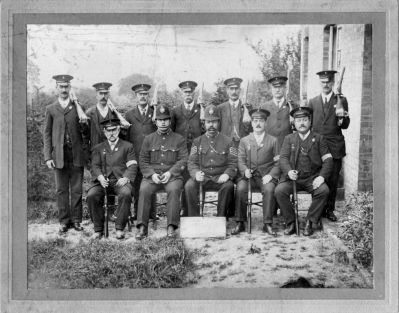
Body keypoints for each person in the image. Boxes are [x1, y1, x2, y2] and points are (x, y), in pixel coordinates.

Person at [275, 107, 333, 236]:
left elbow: (328, 160)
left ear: (310, 122)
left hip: (312, 178)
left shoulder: (319, 139)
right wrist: (289, 171)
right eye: (298, 120)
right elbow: (283, 158)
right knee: (279, 191)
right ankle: (290, 221)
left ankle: (310, 221)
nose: (301, 123)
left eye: (305, 120)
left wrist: (322, 177)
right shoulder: (289, 138)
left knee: (323, 191)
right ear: (294, 123)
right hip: (293, 178)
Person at [43, 74, 89, 233]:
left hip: (75, 154)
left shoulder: (77, 106)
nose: (64, 89)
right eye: (61, 86)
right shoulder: (51, 109)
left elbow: (84, 130)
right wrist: (48, 156)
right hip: (59, 156)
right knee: (61, 190)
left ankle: (76, 220)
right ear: (56, 88)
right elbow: (47, 134)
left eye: (66, 86)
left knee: (76, 190)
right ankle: (64, 221)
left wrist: (83, 120)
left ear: (70, 88)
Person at [135, 105, 188, 239]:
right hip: (152, 177)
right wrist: (152, 174)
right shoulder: (148, 139)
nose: (163, 122)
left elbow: (183, 160)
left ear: (170, 121)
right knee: (144, 189)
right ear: (155, 121)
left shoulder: (179, 139)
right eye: (160, 119)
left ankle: (171, 226)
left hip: (172, 177)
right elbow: (143, 160)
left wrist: (170, 173)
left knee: (174, 190)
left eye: (165, 119)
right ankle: (142, 226)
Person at [307, 70, 350, 222]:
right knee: (317, 178)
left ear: (332, 83)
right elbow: (308, 125)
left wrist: (342, 118)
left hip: (335, 146)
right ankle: (317, 209)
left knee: (332, 180)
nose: (325, 84)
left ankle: (329, 210)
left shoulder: (340, 100)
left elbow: (345, 125)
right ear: (320, 83)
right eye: (323, 82)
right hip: (317, 147)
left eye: (328, 82)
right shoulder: (312, 102)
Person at [231, 108, 280, 235]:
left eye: (261, 121)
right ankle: (240, 222)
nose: (258, 124)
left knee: (269, 189)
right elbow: (240, 160)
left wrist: (270, 175)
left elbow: (278, 162)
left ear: (265, 123)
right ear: (251, 123)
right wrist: (245, 170)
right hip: (248, 177)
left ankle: (267, 223)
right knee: (241, 188)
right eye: (255, 121)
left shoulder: (273, 140)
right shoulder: (244, 140)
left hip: (265, 176)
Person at [87, 118, 138, 239]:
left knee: (126, 194)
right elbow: (95, 166)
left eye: (114, 130)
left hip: (120, 181)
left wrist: (126, 177)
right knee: (91, 195)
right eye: (108, 131)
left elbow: (133, 165)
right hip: (102, 182)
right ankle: (98, 229)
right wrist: (99, 177)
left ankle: (119, 228)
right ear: (104, 132)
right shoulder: (98, 148)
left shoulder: (127, 146)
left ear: (119, 130)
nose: (111, 133)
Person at [185, 104, 237, 217]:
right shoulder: (197, 141)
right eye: (208, 122)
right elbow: (192, 162)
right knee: (189, 186)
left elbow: (233, 163)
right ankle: (194, 218)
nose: (211, 125)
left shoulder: (228, 141)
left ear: (218, 123)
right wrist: (196, 173)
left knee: (228, 186)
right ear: (204, 123)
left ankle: (221, 218)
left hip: (220, 178)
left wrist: (227, 174)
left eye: (214, 122)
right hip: (203, 178)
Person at [171, 80, 205, 217]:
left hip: (196, 151)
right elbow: (172, 133)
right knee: (182, 179)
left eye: (190, 91)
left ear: (194, 93)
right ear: (181, 93)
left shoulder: (200, 109)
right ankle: (182, 207)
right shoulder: (176, 111)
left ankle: (191, 210)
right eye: (185, 92)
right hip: (181, 152)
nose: (188, 94)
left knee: (193, 180)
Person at [125, 83, 157, 219]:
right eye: (140, 94)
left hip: (152, 156)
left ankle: (152, 214)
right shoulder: (129, 115)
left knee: (152, 183)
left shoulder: (154, 112)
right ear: (136, 96)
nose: (143, 97)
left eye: (145, 94)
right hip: (136, 156)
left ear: (148, 96)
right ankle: (138, 213)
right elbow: (126, 138)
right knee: (137, 186)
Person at [261, 75, 298, 149]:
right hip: (269, 147)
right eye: (275, 87)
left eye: (280, 87)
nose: (277, 90)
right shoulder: (264, 107)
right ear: (271, 89)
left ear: (285, 88)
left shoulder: (293, 106)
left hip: (287, 147)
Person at [218, 77, 253, 148]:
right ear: (227, 90)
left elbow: (251, 129)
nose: (234, 92)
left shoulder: (247, 107)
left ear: (240, 90)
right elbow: (218, 129)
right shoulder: (220, 108)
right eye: (231, 89)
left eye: (236, 88)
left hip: (243, 146)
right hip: (225, 145)